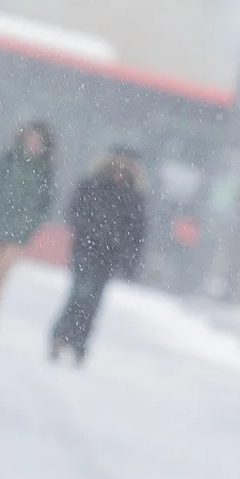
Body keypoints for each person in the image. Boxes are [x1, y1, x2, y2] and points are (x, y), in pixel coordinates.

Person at [49, 148, 148, 364]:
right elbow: (74, 211)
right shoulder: (93, 184)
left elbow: (137, 232)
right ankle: (61, 336)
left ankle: (78, 341)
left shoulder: (134, 196)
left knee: (93, 301)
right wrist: (89, 229)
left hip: (109, 256)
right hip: (85, 249)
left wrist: (129, 259)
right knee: (78, 293)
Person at [0, 122, 55, 341]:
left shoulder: (44, 170)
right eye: (31, 138)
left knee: (1, 271)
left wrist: (30, 224)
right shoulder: (8, 161)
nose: (33, 143)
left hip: (19, 231)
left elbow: (45, 203)